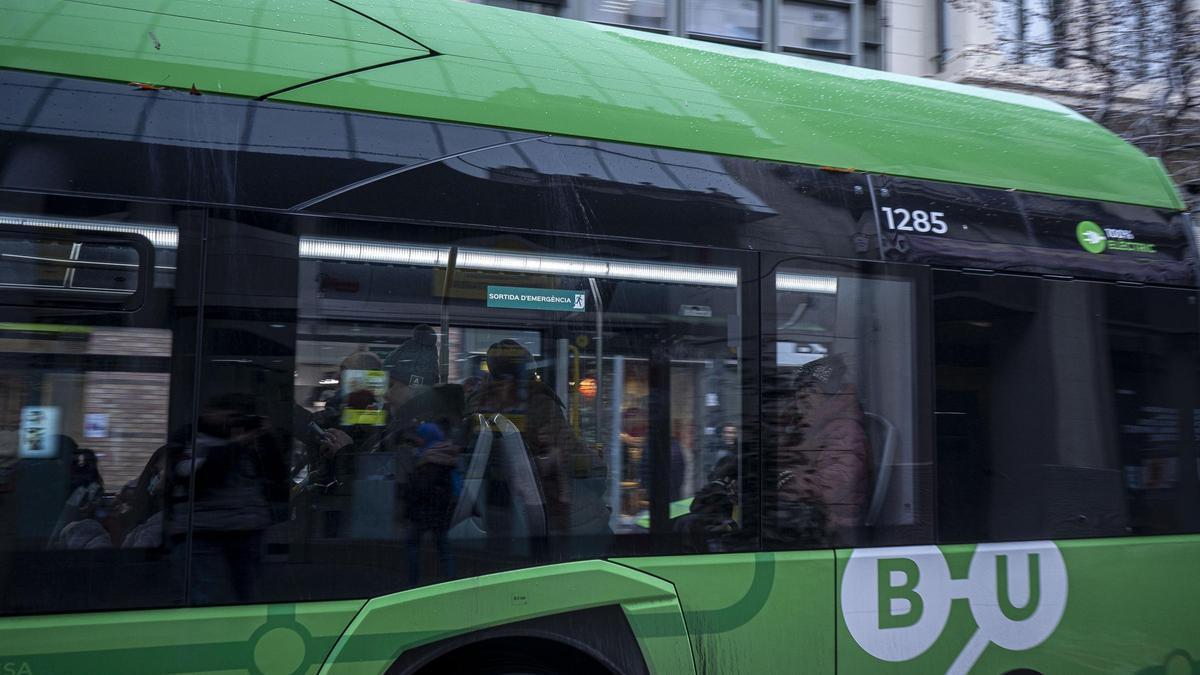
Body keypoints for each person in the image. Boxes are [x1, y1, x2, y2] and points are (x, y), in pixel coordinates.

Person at [470, 339, 608, 536]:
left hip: (490, 507)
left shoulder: (476, 403)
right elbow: (577, 458)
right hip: (544, 510)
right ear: (528, 370)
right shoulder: (540, 404)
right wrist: (595, 463)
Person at [773, 354, 868, 545]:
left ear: (827, 395)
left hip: (831, 527)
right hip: (809, 515)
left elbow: (835, 486)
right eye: (799, 394)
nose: (801, 400)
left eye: (809, 392)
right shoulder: (809, 427)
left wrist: (787, 483)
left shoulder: (845, 430)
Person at [405, 421, 460, 583]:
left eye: (420, 436)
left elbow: (422, 487)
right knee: (444, 549)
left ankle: (413, 583)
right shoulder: (446, 454)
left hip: (423, 511)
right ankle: (451, 580)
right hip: (440, 511)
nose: (418, 440)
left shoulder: (428, 458)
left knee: (413, 545)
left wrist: (409, 503)